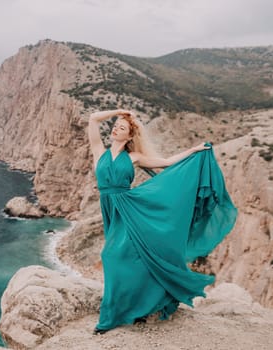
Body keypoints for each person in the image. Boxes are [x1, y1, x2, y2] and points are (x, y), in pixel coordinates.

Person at [88, 108, 238, 334]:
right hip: (109, 207)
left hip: (129, 208)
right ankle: (137, 308)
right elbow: (93, 118)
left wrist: (194, 151)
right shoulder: (99, 152)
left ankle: (111, 317)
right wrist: (120, 112)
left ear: (129, 137)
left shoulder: (134, 157)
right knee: (121, 256)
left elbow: (166, 162)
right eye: (116, 126)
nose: (116, 128)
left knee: (113, 255)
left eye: (123, 128)